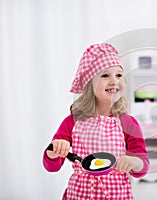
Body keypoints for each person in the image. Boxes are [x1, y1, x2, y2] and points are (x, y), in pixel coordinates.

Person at [43, 43, 149, 199]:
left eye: (119, 75)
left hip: (117, 195)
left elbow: (143, 165)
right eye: (105, 75)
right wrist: (53, 153)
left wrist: (134, 162)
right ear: (89, 85)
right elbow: (52, 166)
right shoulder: (72, 122)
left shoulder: (128, 123)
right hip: (79, 194)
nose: (114, 81)